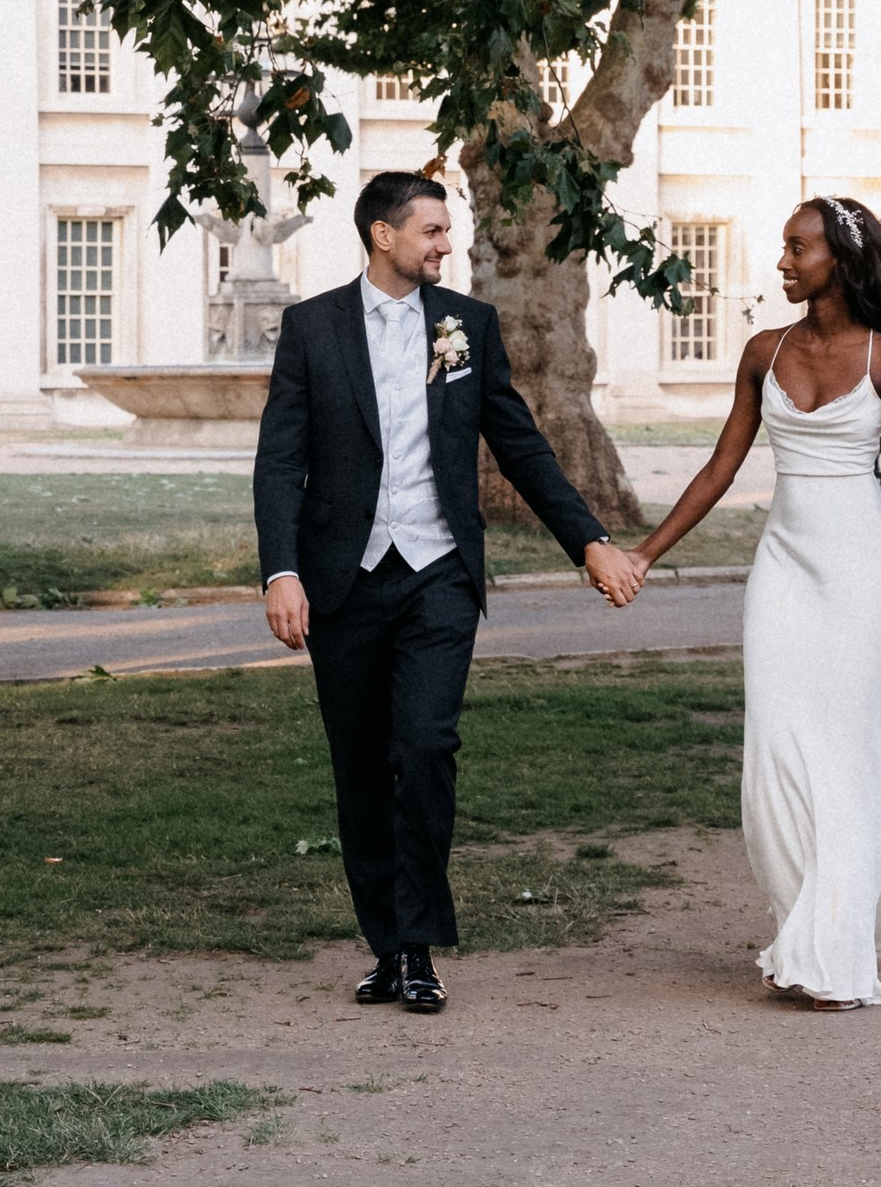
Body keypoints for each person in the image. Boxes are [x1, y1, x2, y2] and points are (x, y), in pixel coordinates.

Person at [256, 169, 645, 1014]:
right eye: (432, 230)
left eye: (446, 229)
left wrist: (589, 541)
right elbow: (281, 460)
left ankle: (420, 945)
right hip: (343, 582)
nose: (446, 243)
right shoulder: (312, 328)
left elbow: (520, 443)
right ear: (383, 235)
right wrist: (281, 570)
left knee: (426, 745)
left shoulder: (466, 325)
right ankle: (387, 945)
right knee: (361, 766)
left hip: (438, 575)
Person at [628, 196, 881, 1011]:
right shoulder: (762, 352)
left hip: (864, 576)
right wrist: (643, 552)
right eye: (783, 246)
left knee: (846, 765)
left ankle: (831, 955)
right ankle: (801, 926)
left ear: (839, 260)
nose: (782, 260)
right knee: (772, 760)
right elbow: (720, 467)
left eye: (797, 247)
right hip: (782, 571)